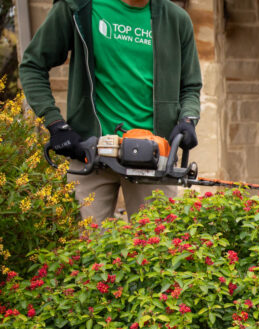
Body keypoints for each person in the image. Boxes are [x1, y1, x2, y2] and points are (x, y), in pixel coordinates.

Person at [19, 0, 202, 225]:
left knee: (158, 244)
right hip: (89, 153)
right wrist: (55, 124)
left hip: (154, 157)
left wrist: (188, 119)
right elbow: (33, 65)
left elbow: (190, 86)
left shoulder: (176, 19)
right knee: (85, 243)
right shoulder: (78, 7)